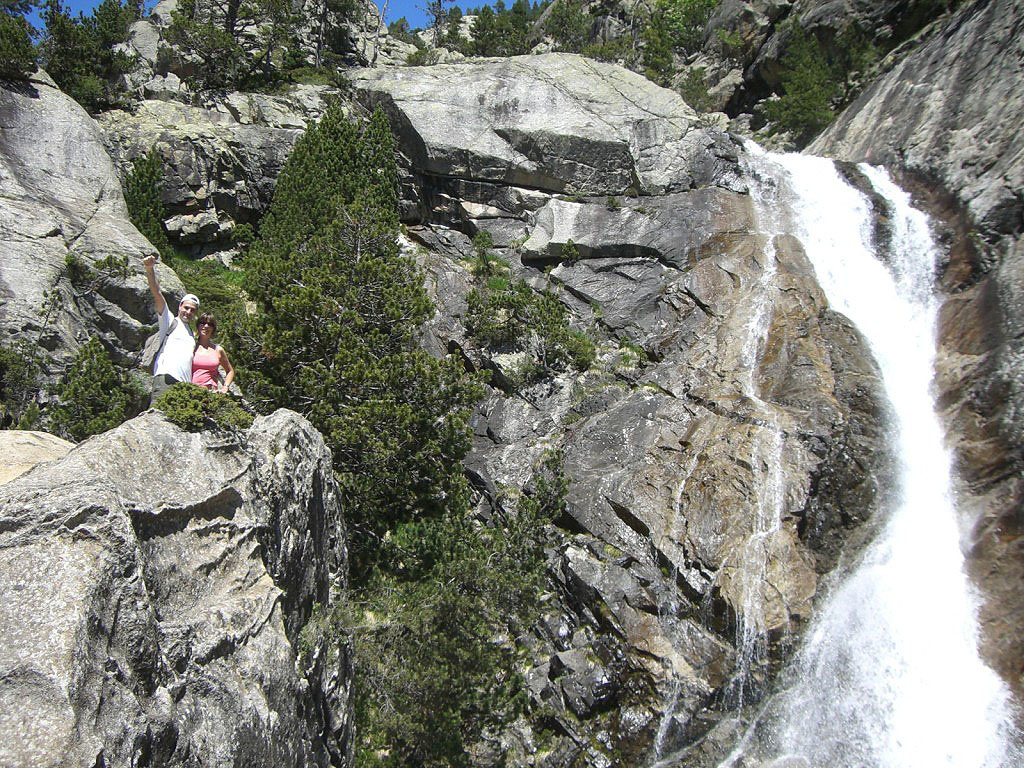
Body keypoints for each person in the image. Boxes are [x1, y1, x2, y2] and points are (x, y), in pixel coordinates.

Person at [143, 253, 199, 404]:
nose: (188, 312)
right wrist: (149, 269)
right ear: (180, 306)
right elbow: (157, 294)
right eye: (186, 308)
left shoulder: (191, 335)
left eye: (192, 310)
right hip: (165, 379)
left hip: (184, 386)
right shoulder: (169, 321)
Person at [191, 312, 235, 393]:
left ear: (213, 329)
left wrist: (225, 387)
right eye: (203, 323)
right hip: (191, 392)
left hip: (211, 393)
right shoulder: (191, 347)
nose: (206, 326)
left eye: (210, 324)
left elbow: (230, 371)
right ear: (198, 326)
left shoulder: (218, 350)